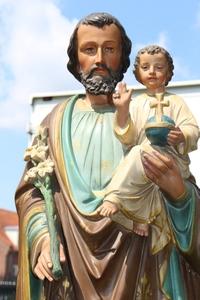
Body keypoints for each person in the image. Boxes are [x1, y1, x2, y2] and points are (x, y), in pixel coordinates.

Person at [15, 14, 200, 300]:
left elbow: (182, 189)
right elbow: (34, 193)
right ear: (76, 60)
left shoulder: (144, 117)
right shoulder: (55, 123)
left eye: (109, 49)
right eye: (89, 50)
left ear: (123, 59)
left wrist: (179, 195)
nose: (99, 59)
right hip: (71, 270)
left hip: (141, 266)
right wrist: (42, 239)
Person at [97, 45, 200, 242]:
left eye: (158, 67)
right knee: (137, 154)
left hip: (171, 159)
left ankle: (115, 197)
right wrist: (122, 110)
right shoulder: (136, 103)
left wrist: (182, 136)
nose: (152, 72)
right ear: (137, 72)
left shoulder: (176, 102)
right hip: (143, 164)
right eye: (145, 67)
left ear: (168, 72)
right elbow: (126, 137)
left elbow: (193, 129)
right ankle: (141, 216)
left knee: (139, 153)